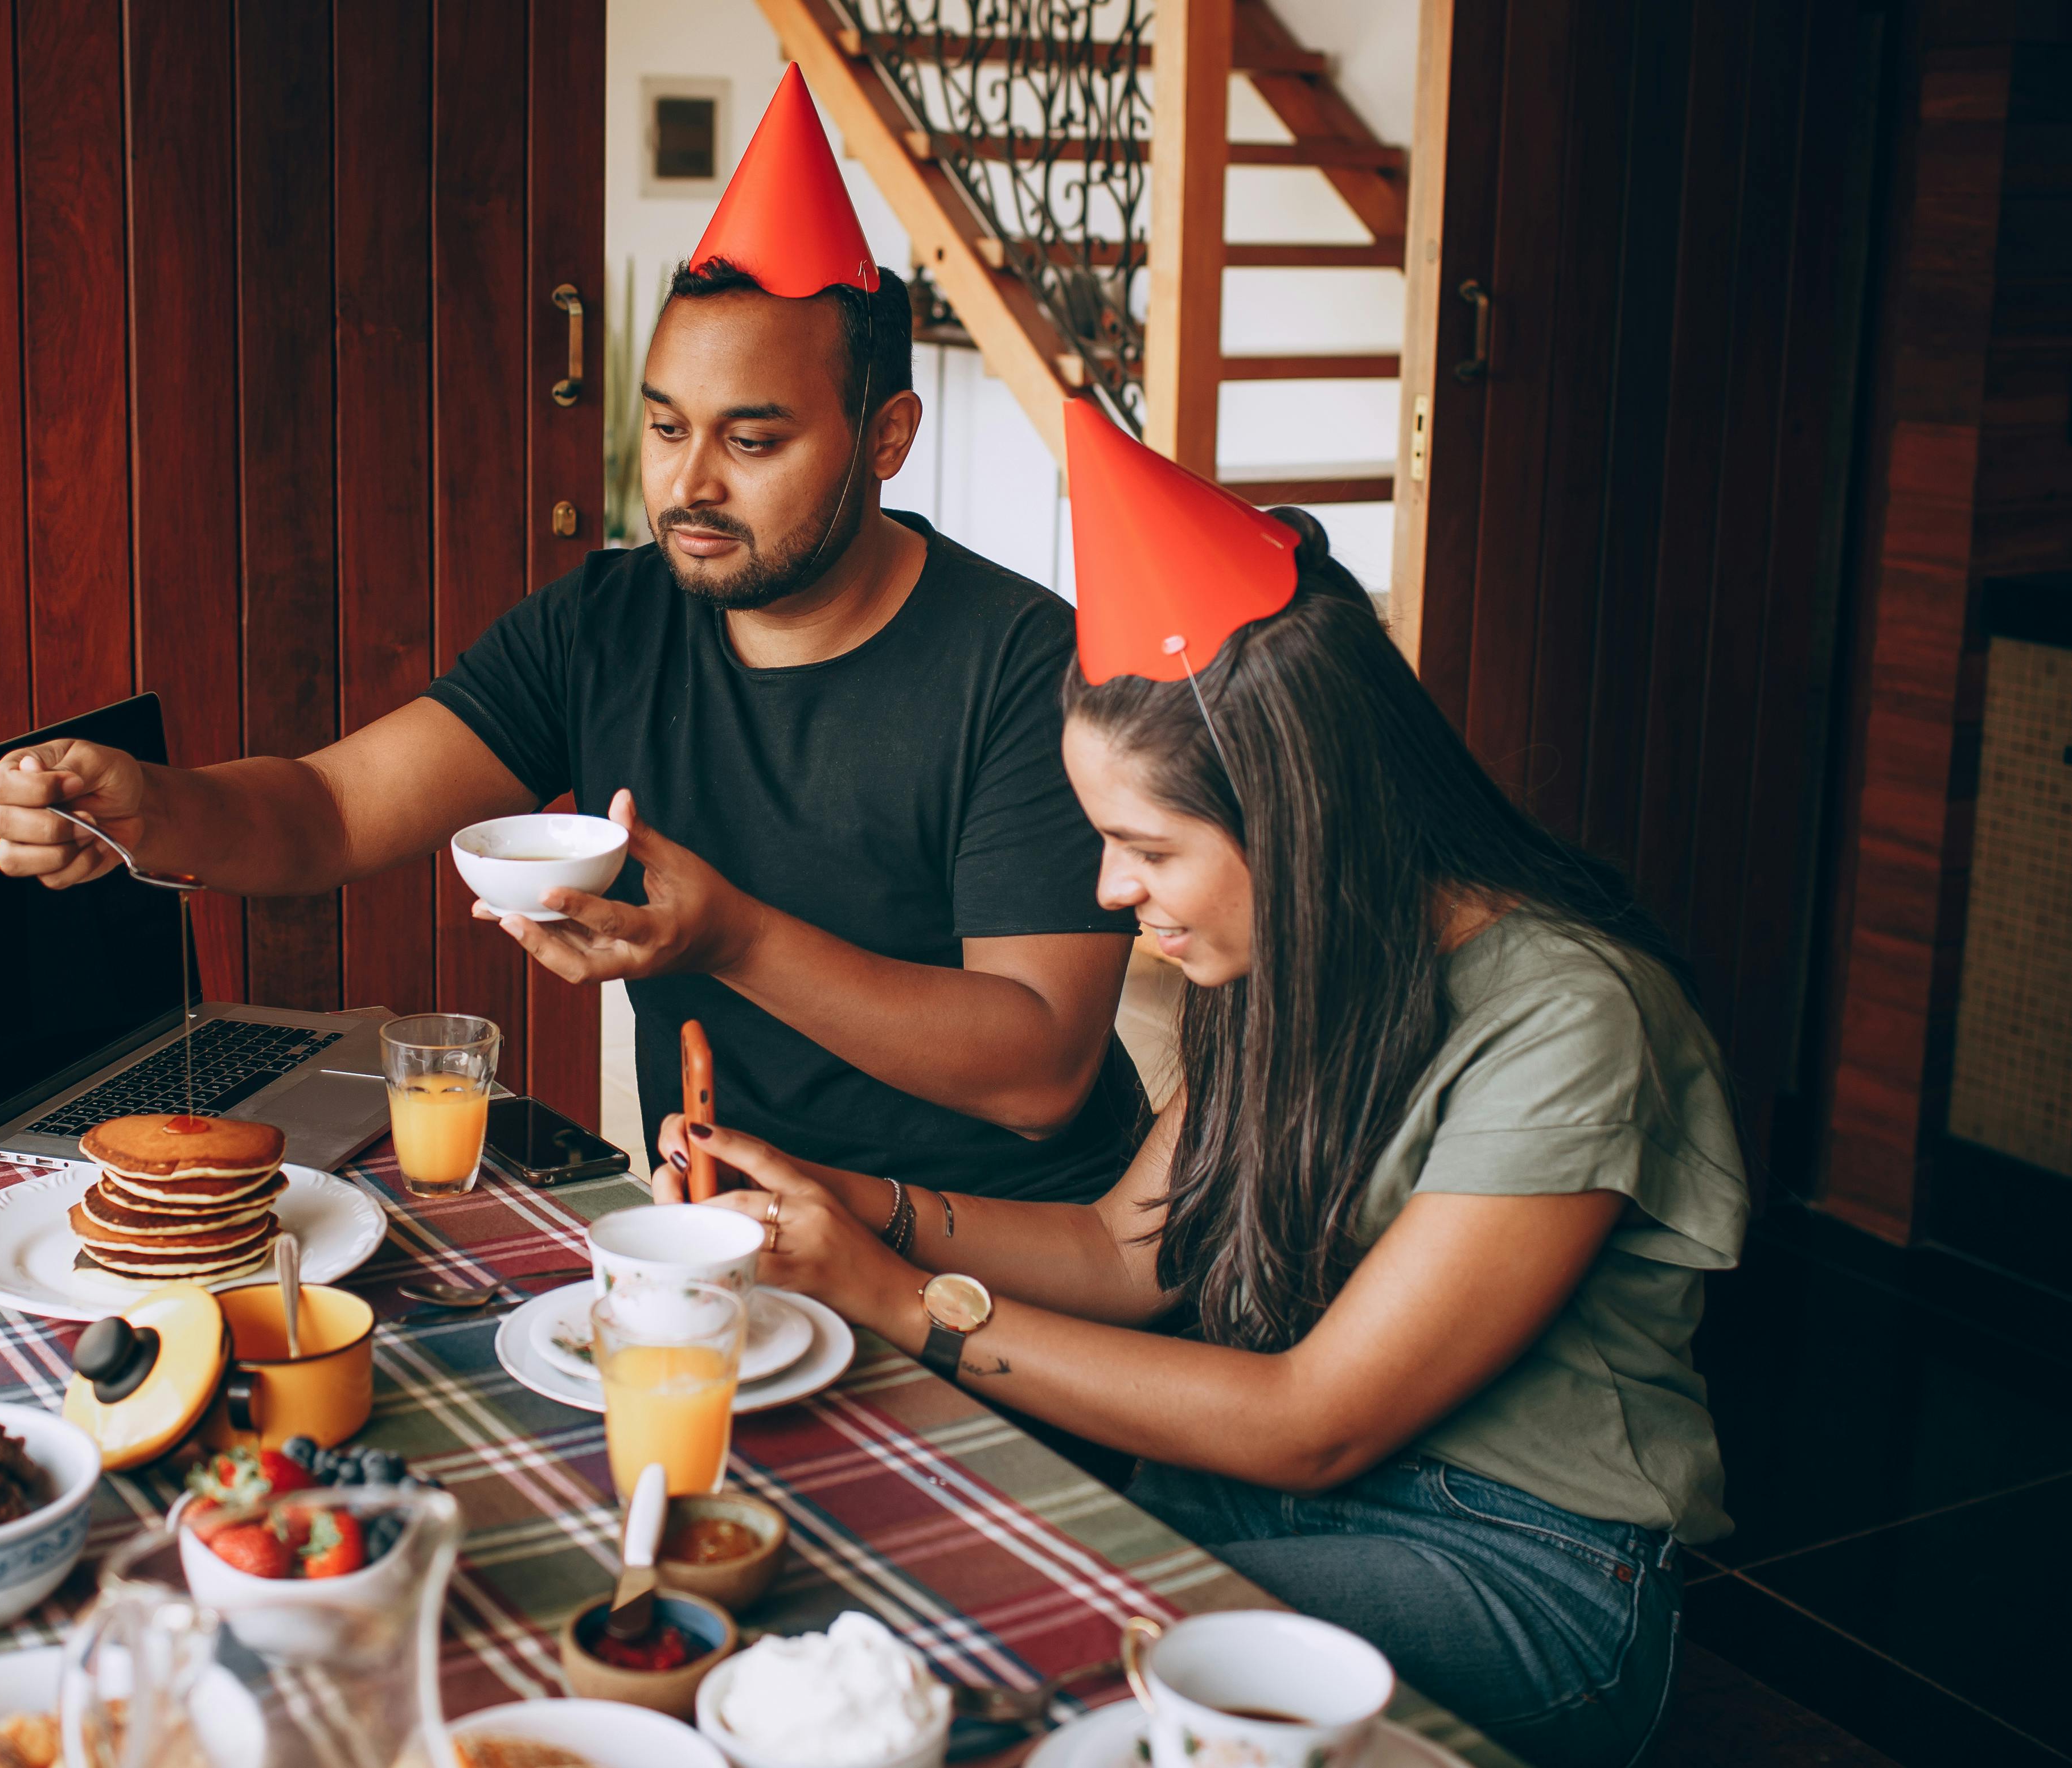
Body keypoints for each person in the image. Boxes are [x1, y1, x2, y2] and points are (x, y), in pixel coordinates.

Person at [655, 402, 1749, 1768]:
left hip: (1516, 1564)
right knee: (867, 1557)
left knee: (1032, 1651)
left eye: (1145, 849)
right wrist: (853, 1207)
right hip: (1245, 1492)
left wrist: (899, 1304)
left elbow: (1313, 1423)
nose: (1112, 893)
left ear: (1299, 816)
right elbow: (1122, 1251)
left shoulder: (1574, 1017)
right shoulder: (1293, 957)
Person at [0, 69, 1144, 1204]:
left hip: (1000, 1272)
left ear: (885, 437)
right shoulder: (611, 620)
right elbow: (329, 810)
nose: (685, 486)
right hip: (729, 1246)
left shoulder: (1025, 664)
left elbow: (1040, 1070)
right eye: (664, 426)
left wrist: (731, 939)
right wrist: (149, 806)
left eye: (753, 441)